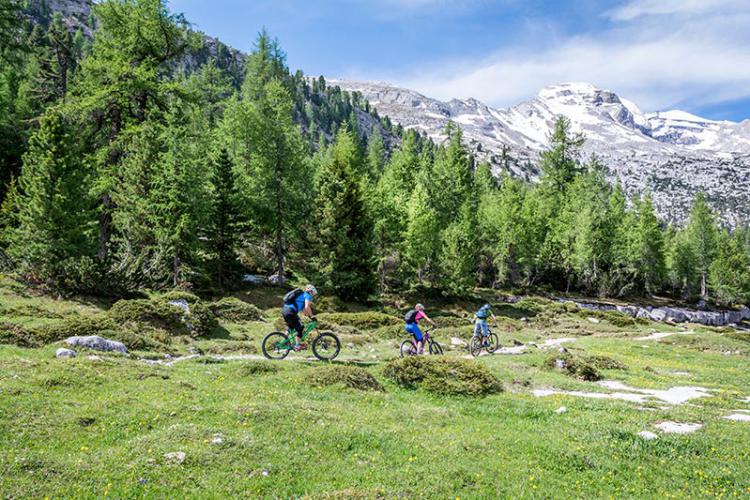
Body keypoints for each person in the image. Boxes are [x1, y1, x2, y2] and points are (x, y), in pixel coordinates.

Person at [281, 284, 317, 351]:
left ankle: (284, 342)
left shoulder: (302, 296)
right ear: (310, 291)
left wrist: (310, 317)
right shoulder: (307, 296)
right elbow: (307, 307)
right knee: (300, 327)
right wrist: (312, 316)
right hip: (290, 312)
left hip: (285, 311)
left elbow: (304, 311)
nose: (313, 295)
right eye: (313, 293)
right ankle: (297, 346)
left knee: (291, 328)